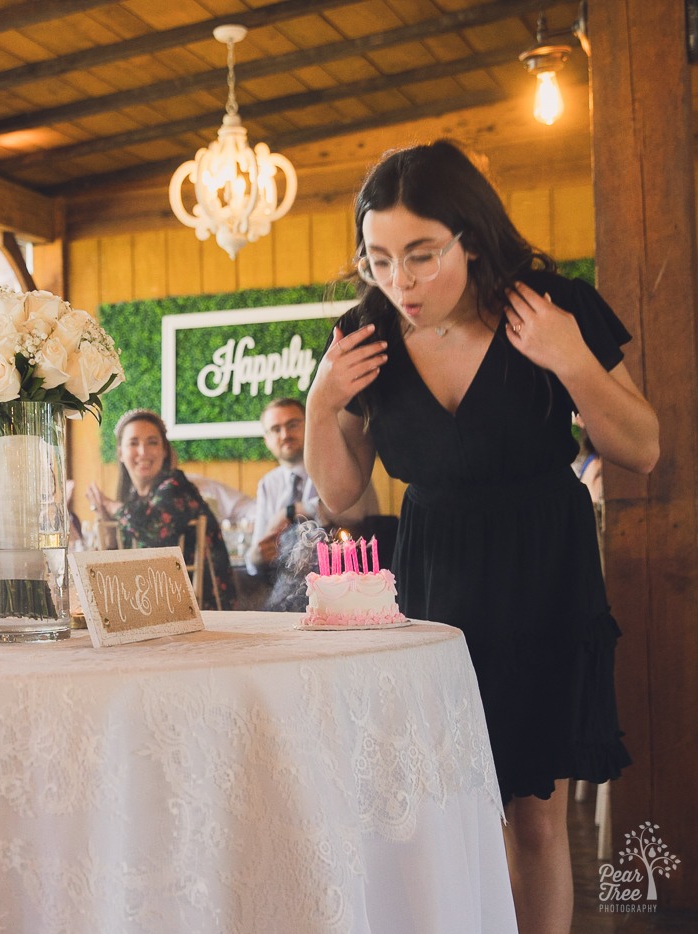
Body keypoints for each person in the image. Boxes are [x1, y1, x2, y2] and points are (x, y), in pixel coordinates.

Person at [304, 140, 658, 934]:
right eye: (381, 258)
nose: (402, 281)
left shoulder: (551, 306)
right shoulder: (367, 333)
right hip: (434, 586)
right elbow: (340, 490)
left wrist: (573, 363)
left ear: (470, 235)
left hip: (544, 572)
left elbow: (642, 446)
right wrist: (324, 402)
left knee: (533, 814)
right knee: (444, 808)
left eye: (423, 255)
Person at [86, 410, 234, 610]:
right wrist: (104, 516)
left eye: (152, 442)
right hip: (154, 608)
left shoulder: (175, 486)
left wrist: (112, 507)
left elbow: (154, 529)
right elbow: (119, 563)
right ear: (121, 453)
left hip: (200, 610)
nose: (143, 452)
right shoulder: (134, 502)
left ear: (164, 450)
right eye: (134, 443)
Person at [246, 397, 377, 577]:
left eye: (292, 425)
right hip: (288, 586)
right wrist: (257, 557)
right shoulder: (268, 484)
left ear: (310, 426)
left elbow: (354, 513)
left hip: (347, 582)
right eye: (276, 429)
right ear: (267, 440)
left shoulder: (343, 465)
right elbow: (256, 550)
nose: (285, 435)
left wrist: (292, 511)